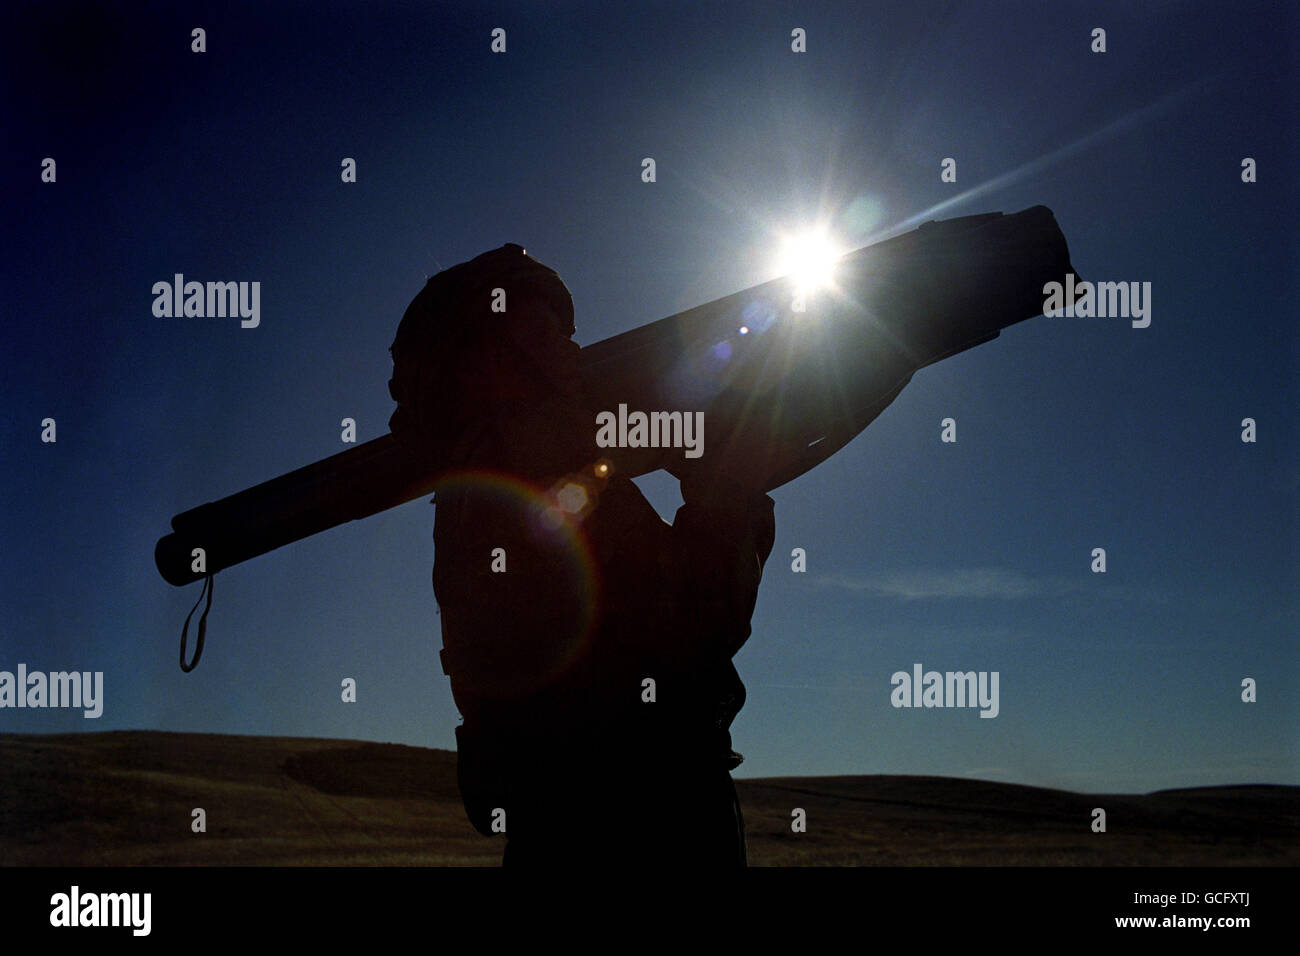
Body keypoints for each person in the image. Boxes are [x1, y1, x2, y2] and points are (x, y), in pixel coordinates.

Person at [388, 243, 775, 867]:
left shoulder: (484, 479)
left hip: (576, 818)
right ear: (482, 359)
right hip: (635, 820)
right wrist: (728, 490)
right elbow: (696, 625)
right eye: (543, 333)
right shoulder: (530, 475)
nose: (572, 348)